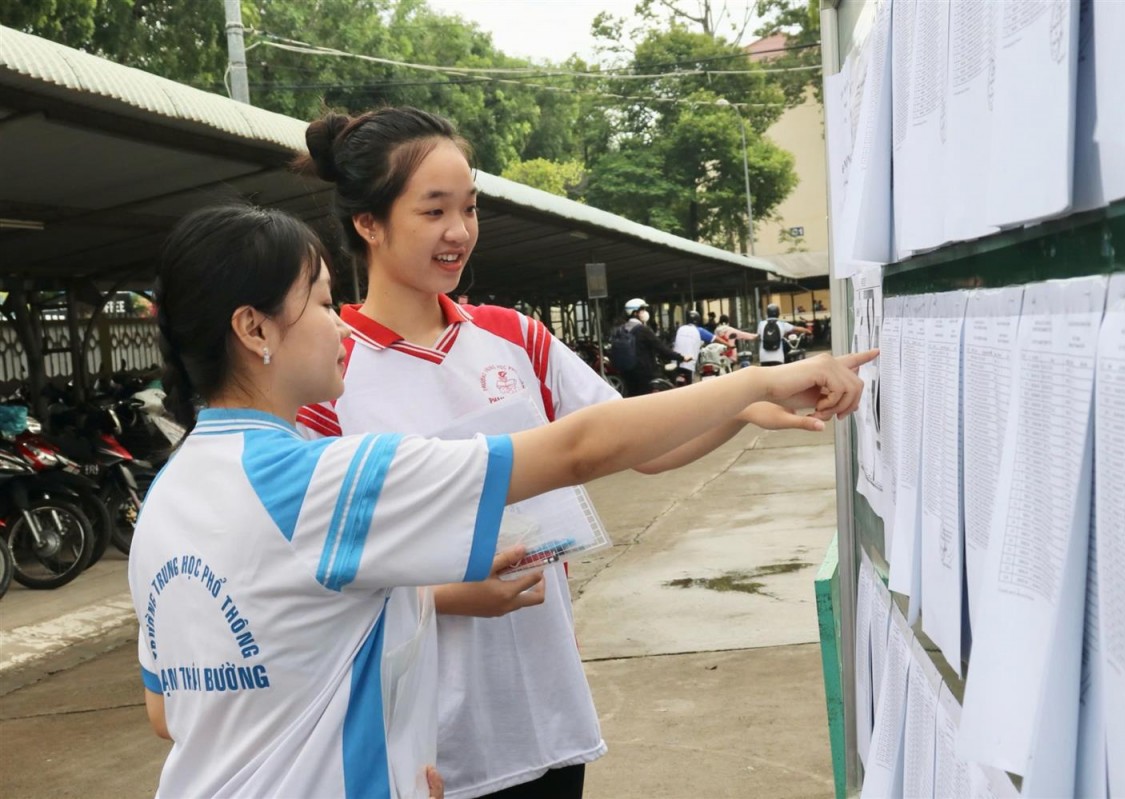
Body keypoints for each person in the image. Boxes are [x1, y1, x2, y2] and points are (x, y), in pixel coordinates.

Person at [133, 202, 876, 799]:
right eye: (322, 303)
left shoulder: (167, 496)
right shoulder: (323, 480)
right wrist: (754, 382)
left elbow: (172, 712)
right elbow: (577, 449)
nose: (336, 322)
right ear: (253, 327)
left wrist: (389, 758)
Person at [290, 106, 868, 799]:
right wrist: (443, 594)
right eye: (433, 210)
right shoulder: (328, 376)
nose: (459, 232)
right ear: (369, 223)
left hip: (545, 719)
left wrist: (739, 410)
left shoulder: (514, 338)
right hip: (423, 745)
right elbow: (315, 575)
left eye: (470, 208)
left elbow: (634, 443)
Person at [617, 298, 690, 398]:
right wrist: (681, 357)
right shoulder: (642, 330)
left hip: (627, 373)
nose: (645, 313)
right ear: (634, 313)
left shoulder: (621, 329)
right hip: (645, 373)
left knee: (633, 398)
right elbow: (661, 349)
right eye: (642, 310)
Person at [672, 310, 728, 385]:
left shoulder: (680, 329)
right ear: (698, 320)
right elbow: (715, 338)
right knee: (690, 384)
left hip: (676, 362)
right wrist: (729, 345)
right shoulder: (698, 330)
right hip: (688, 364)